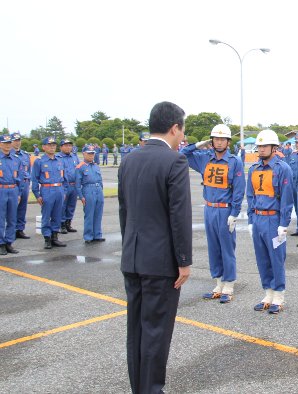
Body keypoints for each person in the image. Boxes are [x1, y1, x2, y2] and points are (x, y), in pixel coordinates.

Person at [119, 101, 192, 394]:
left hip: (133, 258)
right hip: (161, 263)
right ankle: (151, 390)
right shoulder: (174, 161)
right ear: (174, 128)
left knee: (136, 331)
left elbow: (125, 212)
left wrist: (130, 249)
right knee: (156, 333)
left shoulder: (129, 160)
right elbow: (179, 216)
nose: (182, 137)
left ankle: (140, 388)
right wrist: (184, 261)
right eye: (182, 130)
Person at [181, 124, 245, 303]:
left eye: (222, 139)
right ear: (212, 140)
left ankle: (229, 284)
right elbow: (182, 154)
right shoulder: (204, 158)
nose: (219, 142)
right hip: (209, 208)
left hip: (225, 210)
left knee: (227, 248)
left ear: (228, 141)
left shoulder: (234, 161)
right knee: (213, 247)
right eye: (216, 139)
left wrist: (235, 213)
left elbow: (239, 190)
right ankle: (218, 282)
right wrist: (199, 144)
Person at [246, 129, 294, 314]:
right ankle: (268, 293)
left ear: (274, 148)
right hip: (258, 217)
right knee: (262, 258)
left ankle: (279, 295)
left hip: (274, 219)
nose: (261, 149)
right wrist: (250, 220)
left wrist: (284, 223)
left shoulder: (283, 168)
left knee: (276, 258)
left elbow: (287, 199)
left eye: (265, 146)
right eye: (259, 146)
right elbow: (251, 196)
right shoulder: (254, 169)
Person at [31, 137, 67, 249]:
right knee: (46, 215)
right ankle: (47, 238)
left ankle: (54, 237)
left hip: (59, 190)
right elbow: (35, 179)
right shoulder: (39, 162)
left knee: (57, 214)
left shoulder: (60, 160)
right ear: (44, 147)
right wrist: (37, 195)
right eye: (49, 145)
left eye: (54, 145)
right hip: (47, 190)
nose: (52, 147)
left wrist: (64, 191)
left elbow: (64, 177)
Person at [76, 145, 105, 243]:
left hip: (98, 190)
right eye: (89, 153)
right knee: (89, 214)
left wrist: (101, 190)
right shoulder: (80, 167)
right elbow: (77, 184)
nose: (91, 155)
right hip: (88, 190)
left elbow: (100, 180)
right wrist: (81, 196)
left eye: (93, 153)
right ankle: (88, 236)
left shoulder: (96, 166)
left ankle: (97, 234)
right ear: (84, 154)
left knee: (98, 214)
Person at [0, 134, 21, 255]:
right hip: (1, 189)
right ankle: (1, 243)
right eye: (5, 143)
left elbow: (19, 177)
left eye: (9, 143)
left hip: (13, 189)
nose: (7, 145)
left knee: (12, 218)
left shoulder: (16, 159)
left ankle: (9, 242)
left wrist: (18, 192)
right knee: (1, 219)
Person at [56, 138, 80, 234]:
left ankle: (68, 223)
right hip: (63, 185)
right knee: (62, 206)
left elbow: (78, 170)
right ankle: (61, 224)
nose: (68, 147)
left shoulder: (74, 157)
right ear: (61, 147)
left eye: (70, 145)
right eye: (66, 145)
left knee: (71, 205)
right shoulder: (57, 157)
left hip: (73, 185)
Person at [10, 132, 31, 239]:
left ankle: (20, 229)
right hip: (14, 184)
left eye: (18, 141)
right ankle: (11, 230)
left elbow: (29, 170)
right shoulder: (8, 155)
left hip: (25, 183)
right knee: (12, 208)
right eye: (15, 141)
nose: (17, 143)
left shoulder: (25, 155)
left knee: (22, 207)